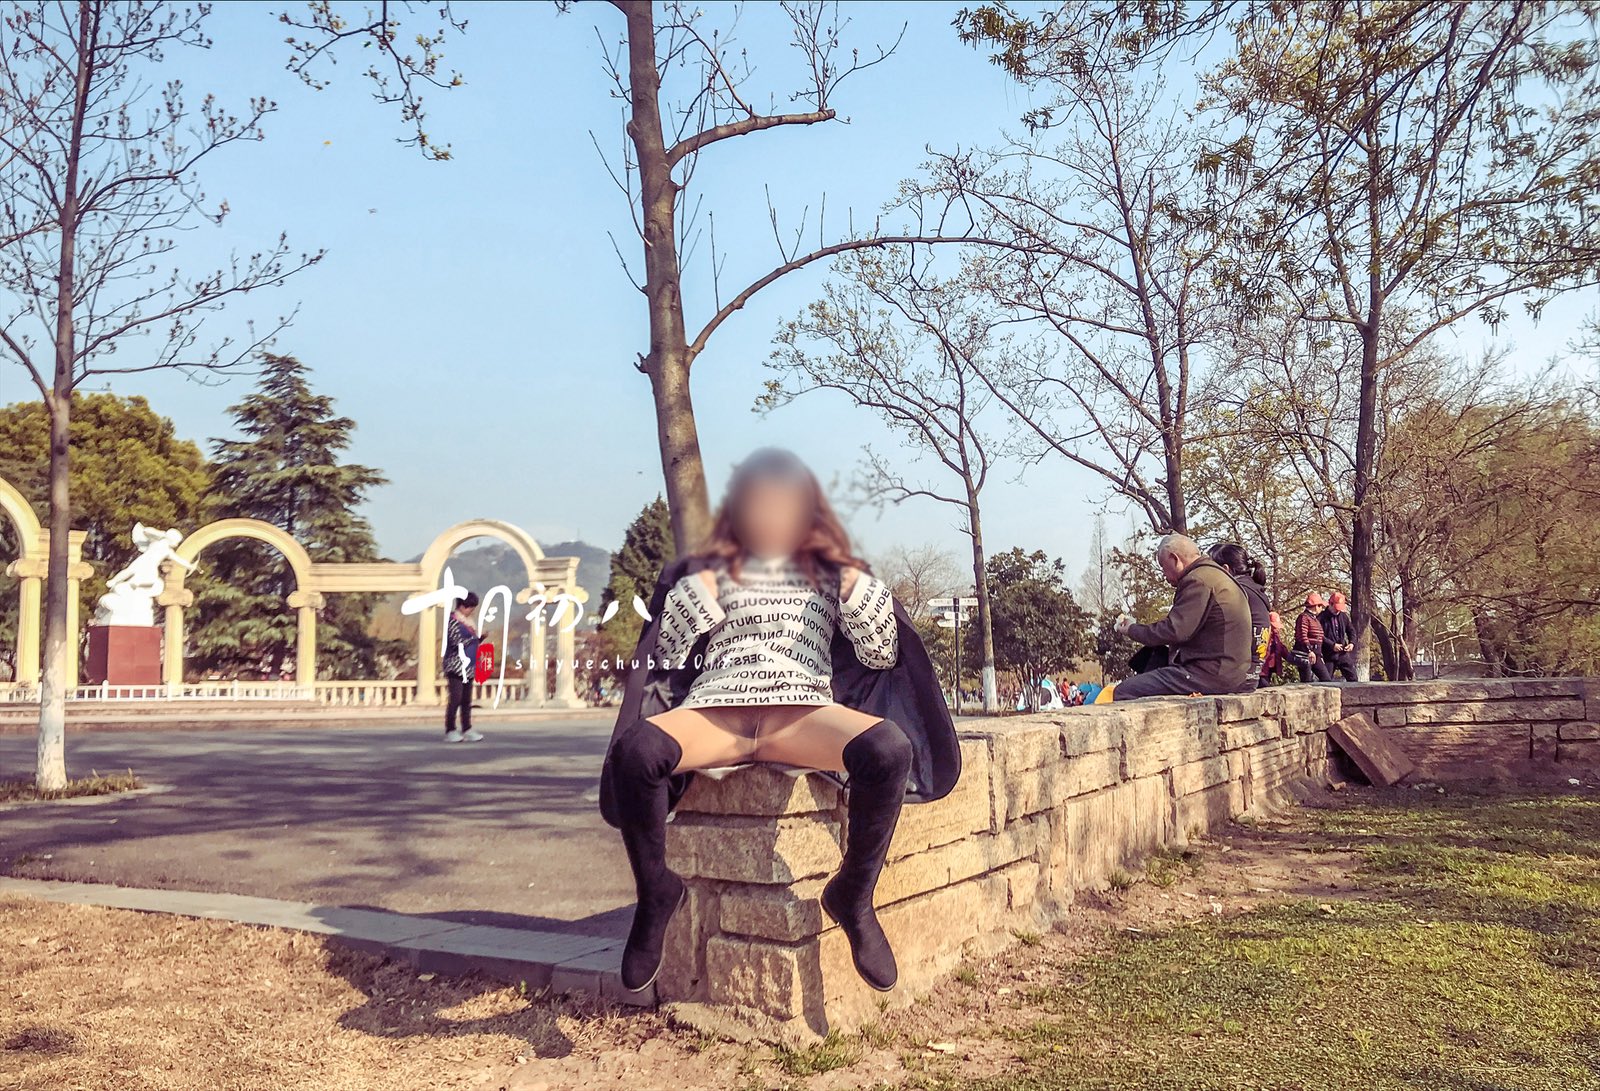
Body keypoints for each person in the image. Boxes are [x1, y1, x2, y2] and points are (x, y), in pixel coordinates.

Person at [598, 448, 960, 995]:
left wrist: (852, 584)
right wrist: (699, 592)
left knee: (888, 750)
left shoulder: (830, 572)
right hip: (718, 711)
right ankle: (656, 894)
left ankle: (853, 896)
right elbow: (668, 653)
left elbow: (882, 653)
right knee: (637, 752)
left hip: (801, 712)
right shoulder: (712, 569)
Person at [1111, 534, 1253, 700]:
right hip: (1233, 673)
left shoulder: (1197, 580)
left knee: (1125, 690)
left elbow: (1174, 630)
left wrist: (1131, 629)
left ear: (1174, 559)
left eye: (1163, 567)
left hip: (1212, 675)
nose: (1164, 575)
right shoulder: (1218, 575)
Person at [1207, 543, 1271, 693]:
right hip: (1251, 677)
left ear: (1225, 569)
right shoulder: (1256, 592)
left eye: (1210, 570)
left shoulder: (1233, 591)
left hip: (1231, 679)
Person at [443, 592, 485, 743]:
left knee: (466, 700)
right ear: (462, 606)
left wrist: (479, 639)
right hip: (455, 665)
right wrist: (474, 638)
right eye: (470, 608)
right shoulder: (453, 621)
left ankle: (467, 728)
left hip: (468, 666)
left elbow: (469, 642)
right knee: (455, 699)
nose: (471, 611)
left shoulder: (468, 623)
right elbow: (456, 641)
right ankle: (450, 729)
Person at [1291, 592, 1333, 682]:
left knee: (1326, 679)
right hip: (1306, 654)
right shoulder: (1304, 617)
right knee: (1306, 681)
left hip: (1316, 654)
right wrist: (1309, 650)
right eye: (1320, 606)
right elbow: (1302, 635)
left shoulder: (1314, 619)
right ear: (1316, 606)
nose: (1322, 609)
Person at [1319, 591, 1358, 681]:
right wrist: (1332, 645)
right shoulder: (1321, 617)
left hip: (1342, 653)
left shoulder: (1343, 616)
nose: (1337, 611)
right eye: (1336, 608)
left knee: (1353, 678)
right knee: (1326, 680)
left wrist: (1352, 643)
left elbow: (1351, 631)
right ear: (1330, 604)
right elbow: (1319, 636)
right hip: (1328, 654)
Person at [1261, 611, 1291, 684]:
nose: (1276, 629)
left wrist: (1291, 658)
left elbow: (1281, 648)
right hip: (1262, 668)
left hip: (1271, 666)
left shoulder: (1276, 636)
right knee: (1264, 684)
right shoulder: (1263, 636)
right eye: (1273, 626)